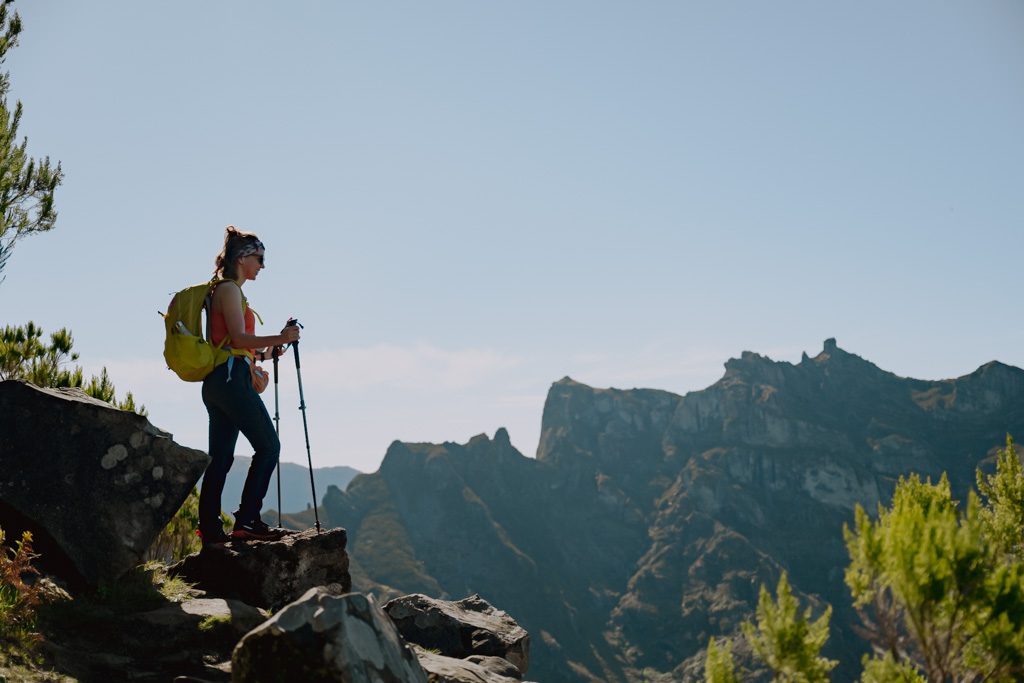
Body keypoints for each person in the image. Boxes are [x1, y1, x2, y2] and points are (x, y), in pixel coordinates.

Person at [197, 226, 301, 544]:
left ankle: (212, 529)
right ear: (243, 258)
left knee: (222, 458)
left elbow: (235, 344)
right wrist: (282, 338)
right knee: (269, 447)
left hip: (220, 380)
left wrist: (269, 352)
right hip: (231, 380)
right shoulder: (229, 290)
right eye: (259, 258)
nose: (262, 265)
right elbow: (240, 339)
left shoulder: (226, 290)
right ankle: (247, 520)